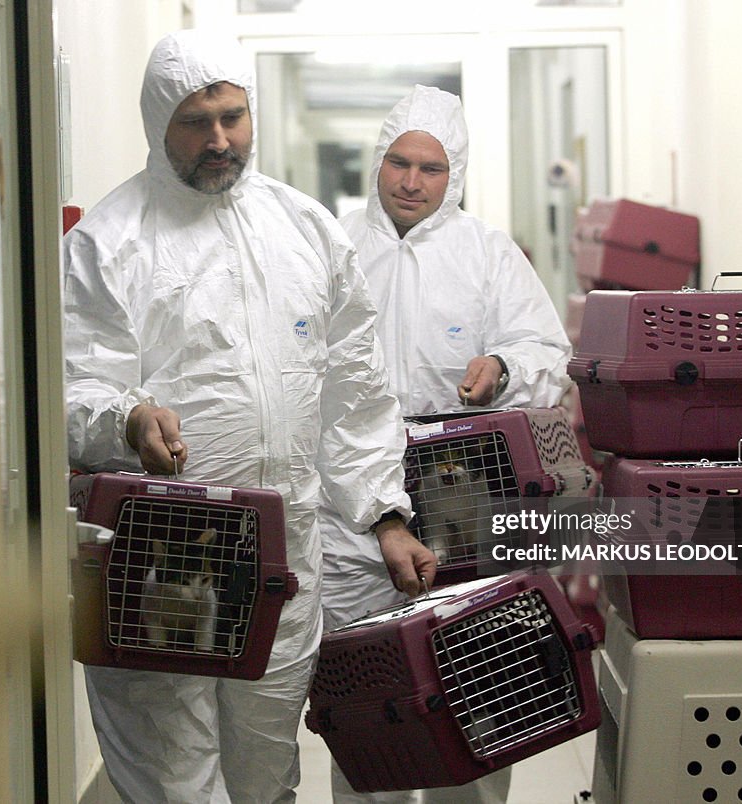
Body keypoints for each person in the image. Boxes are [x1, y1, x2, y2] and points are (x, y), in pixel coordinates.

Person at [64, 32, 436, 803]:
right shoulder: (109, 242)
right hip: (157, 563)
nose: (220, 139)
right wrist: (129, 417)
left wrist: (385, 516)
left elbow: (354, 393)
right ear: (157, 123)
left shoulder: (304, 231)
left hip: (281, 562)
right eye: (196, 122)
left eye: (233, 116)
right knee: (174, 780)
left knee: (267, 772)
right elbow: (70, 385)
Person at [320, 85, 572, 804]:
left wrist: (505, 369)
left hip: (464, 499)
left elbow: (547, 354)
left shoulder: (487, 255)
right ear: (377, 163)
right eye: (398, 162)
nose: (409, 181)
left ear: (453, 176)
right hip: (354, 513)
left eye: (430, 169)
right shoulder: (334, 247)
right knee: (369, 700)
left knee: (480, 685)